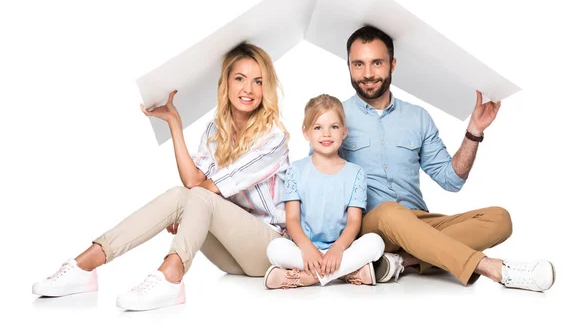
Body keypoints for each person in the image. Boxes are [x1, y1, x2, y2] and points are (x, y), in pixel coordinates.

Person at [32, 43, 292, 310]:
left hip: (270, 252)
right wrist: (174, 124)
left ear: (266, 88)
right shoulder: (217, 131)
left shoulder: (273, 138)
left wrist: (188, 209)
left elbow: (205, 189)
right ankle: (84, 268)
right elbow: (192, 181)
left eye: (258, 82)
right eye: (240, 78)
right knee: (184, 196)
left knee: (194, 197)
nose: (248, 89)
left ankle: (169, 278)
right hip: (232, 258)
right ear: (226, 83)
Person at [339, 25, 555, 292]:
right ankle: (493, 268)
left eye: (377, 63)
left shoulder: (418, 117)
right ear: (348, 65)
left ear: (392, 64)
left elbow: (451, 180)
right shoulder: (335, 117)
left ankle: (402, 262)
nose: (368, 74)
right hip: (372, 225)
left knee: (500, 219)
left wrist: (474, 131)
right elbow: (320, 182)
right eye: (358, 64)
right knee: (389, 212)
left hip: (418, 221)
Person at [264, 94, 385, 289]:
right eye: (318, 127)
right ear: (306, 133)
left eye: (334, 127)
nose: (326, 134)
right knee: (275, 249)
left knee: (376, 243)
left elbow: (354, 221)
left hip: (342, 249)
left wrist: (337, 250)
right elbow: (292, 219)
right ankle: (348, 272)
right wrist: (307, 249)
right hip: (305, 250)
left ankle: (305, 278)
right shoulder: (296, 170)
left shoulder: (356, 174)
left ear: (344, 132)